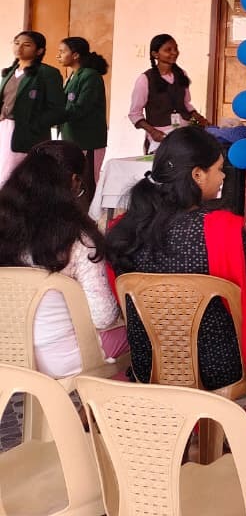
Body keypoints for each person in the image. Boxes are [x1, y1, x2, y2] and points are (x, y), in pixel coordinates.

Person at [106, 126, 246, 429]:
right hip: (217, 366)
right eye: (219, 169)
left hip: (150, 362)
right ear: (198, 175)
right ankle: (237, 441)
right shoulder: (222, 229)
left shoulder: (124, 229)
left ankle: (187, 437)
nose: (223, 177)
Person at [0, 143, 127, 376]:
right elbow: (102, 316)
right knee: (138, 335)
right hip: (65, 358)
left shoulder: (5, 229)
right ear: (74, 181)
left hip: (9, 354)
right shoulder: (77, 240)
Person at [0, 31, 65, 186]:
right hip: (4, 128)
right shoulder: (9, 73)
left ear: (39, 50)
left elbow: (57, 110)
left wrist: (33, 125)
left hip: (26, 133)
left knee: (17, 177)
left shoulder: (47, 73)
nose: (19, 48)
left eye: (27, 45)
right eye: (16, 43)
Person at [129, 34, 207, 153]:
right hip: (160, 138)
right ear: (155, 54)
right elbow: (135, 114)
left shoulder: (181, 74)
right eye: (168, 50)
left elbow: (186, 104)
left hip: (183, 134)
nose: (174, 52)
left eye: (176, 48)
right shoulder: (145, 79)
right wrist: (152, 131)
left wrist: (200, 118)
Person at [56, 37, 110, 203]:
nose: (58, 55)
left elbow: (81, 107)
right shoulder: (73, 76)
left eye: (62, 52)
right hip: (72, 138)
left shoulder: (90, 76)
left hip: (88, 141)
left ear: (76, 55)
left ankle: (89, 217)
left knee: (87, 182)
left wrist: (54, 115)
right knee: (73, 182)